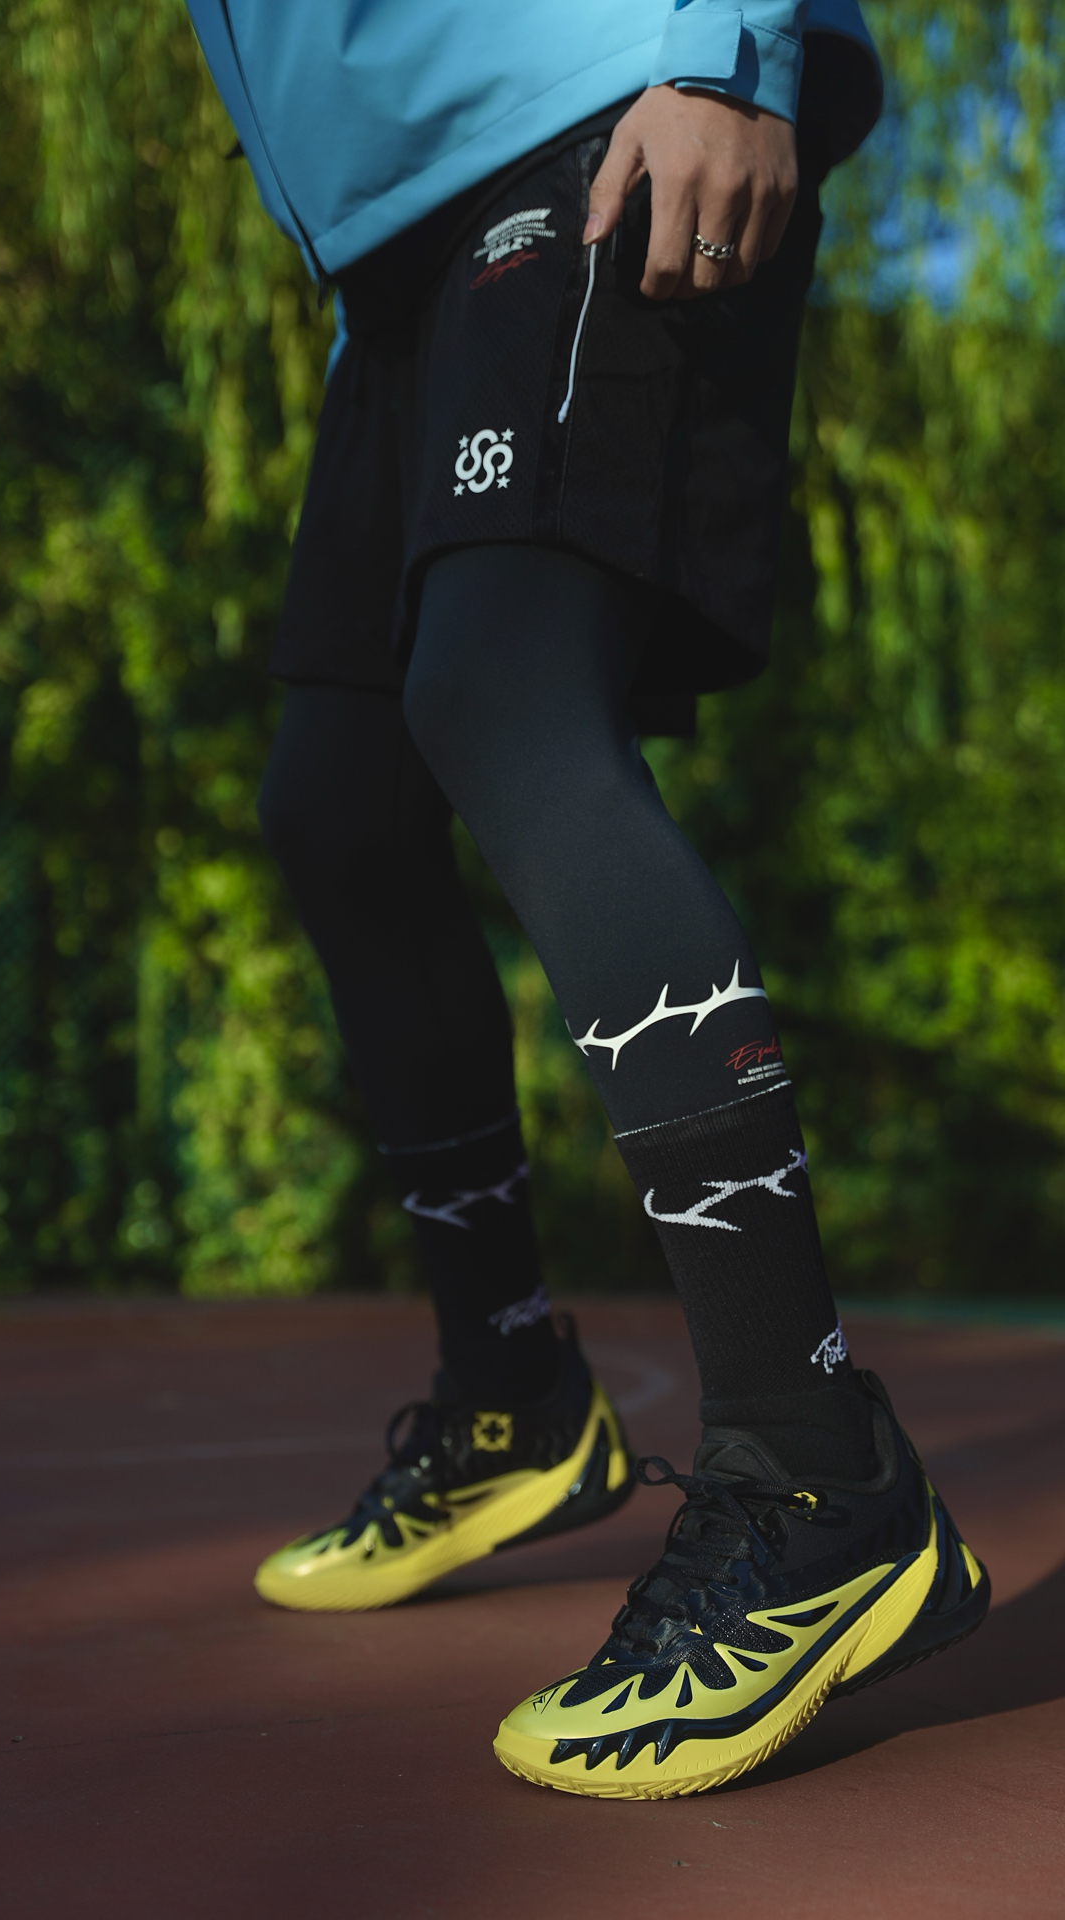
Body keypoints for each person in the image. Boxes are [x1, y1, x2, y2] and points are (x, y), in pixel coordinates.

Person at [186, 0, 989, 1797]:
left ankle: (817, 1472)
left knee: (504, 698)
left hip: (606, 104)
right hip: (393, 250)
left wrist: (722, 51)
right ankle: (514, 1402)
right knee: (341, 807)